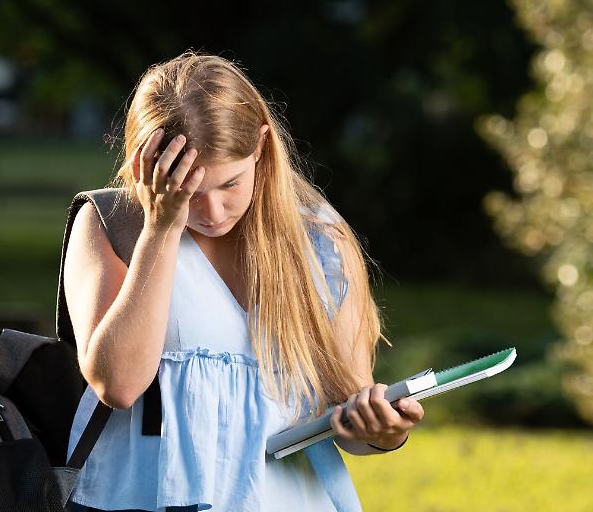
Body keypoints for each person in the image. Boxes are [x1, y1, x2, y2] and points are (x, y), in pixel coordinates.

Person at [62, 52, 424, 511]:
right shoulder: (113, 223)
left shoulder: (319, 243)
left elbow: (344, 413)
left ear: (261, 147)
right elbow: (119, 384)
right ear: (143, 166)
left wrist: (382, 432)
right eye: (191, 190)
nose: (212, 212)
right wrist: (162, 228)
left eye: (231, 184)